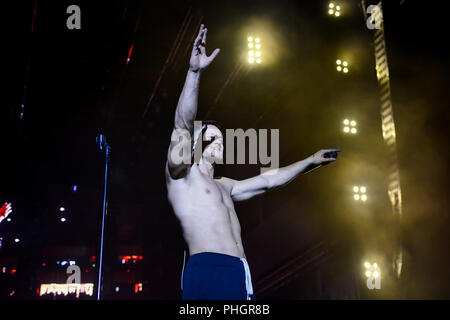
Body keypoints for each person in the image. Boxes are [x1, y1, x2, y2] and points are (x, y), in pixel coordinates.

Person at [165, 24, 340, 300]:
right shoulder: (182, 177)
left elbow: (269, 180)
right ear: (195, 144)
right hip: (206, 269)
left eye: (222, 138)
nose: (220, 142)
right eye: (212, 137)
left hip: (239, 271)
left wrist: (310, 161)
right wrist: (194, 72)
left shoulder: (226, 186)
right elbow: (182, 124)